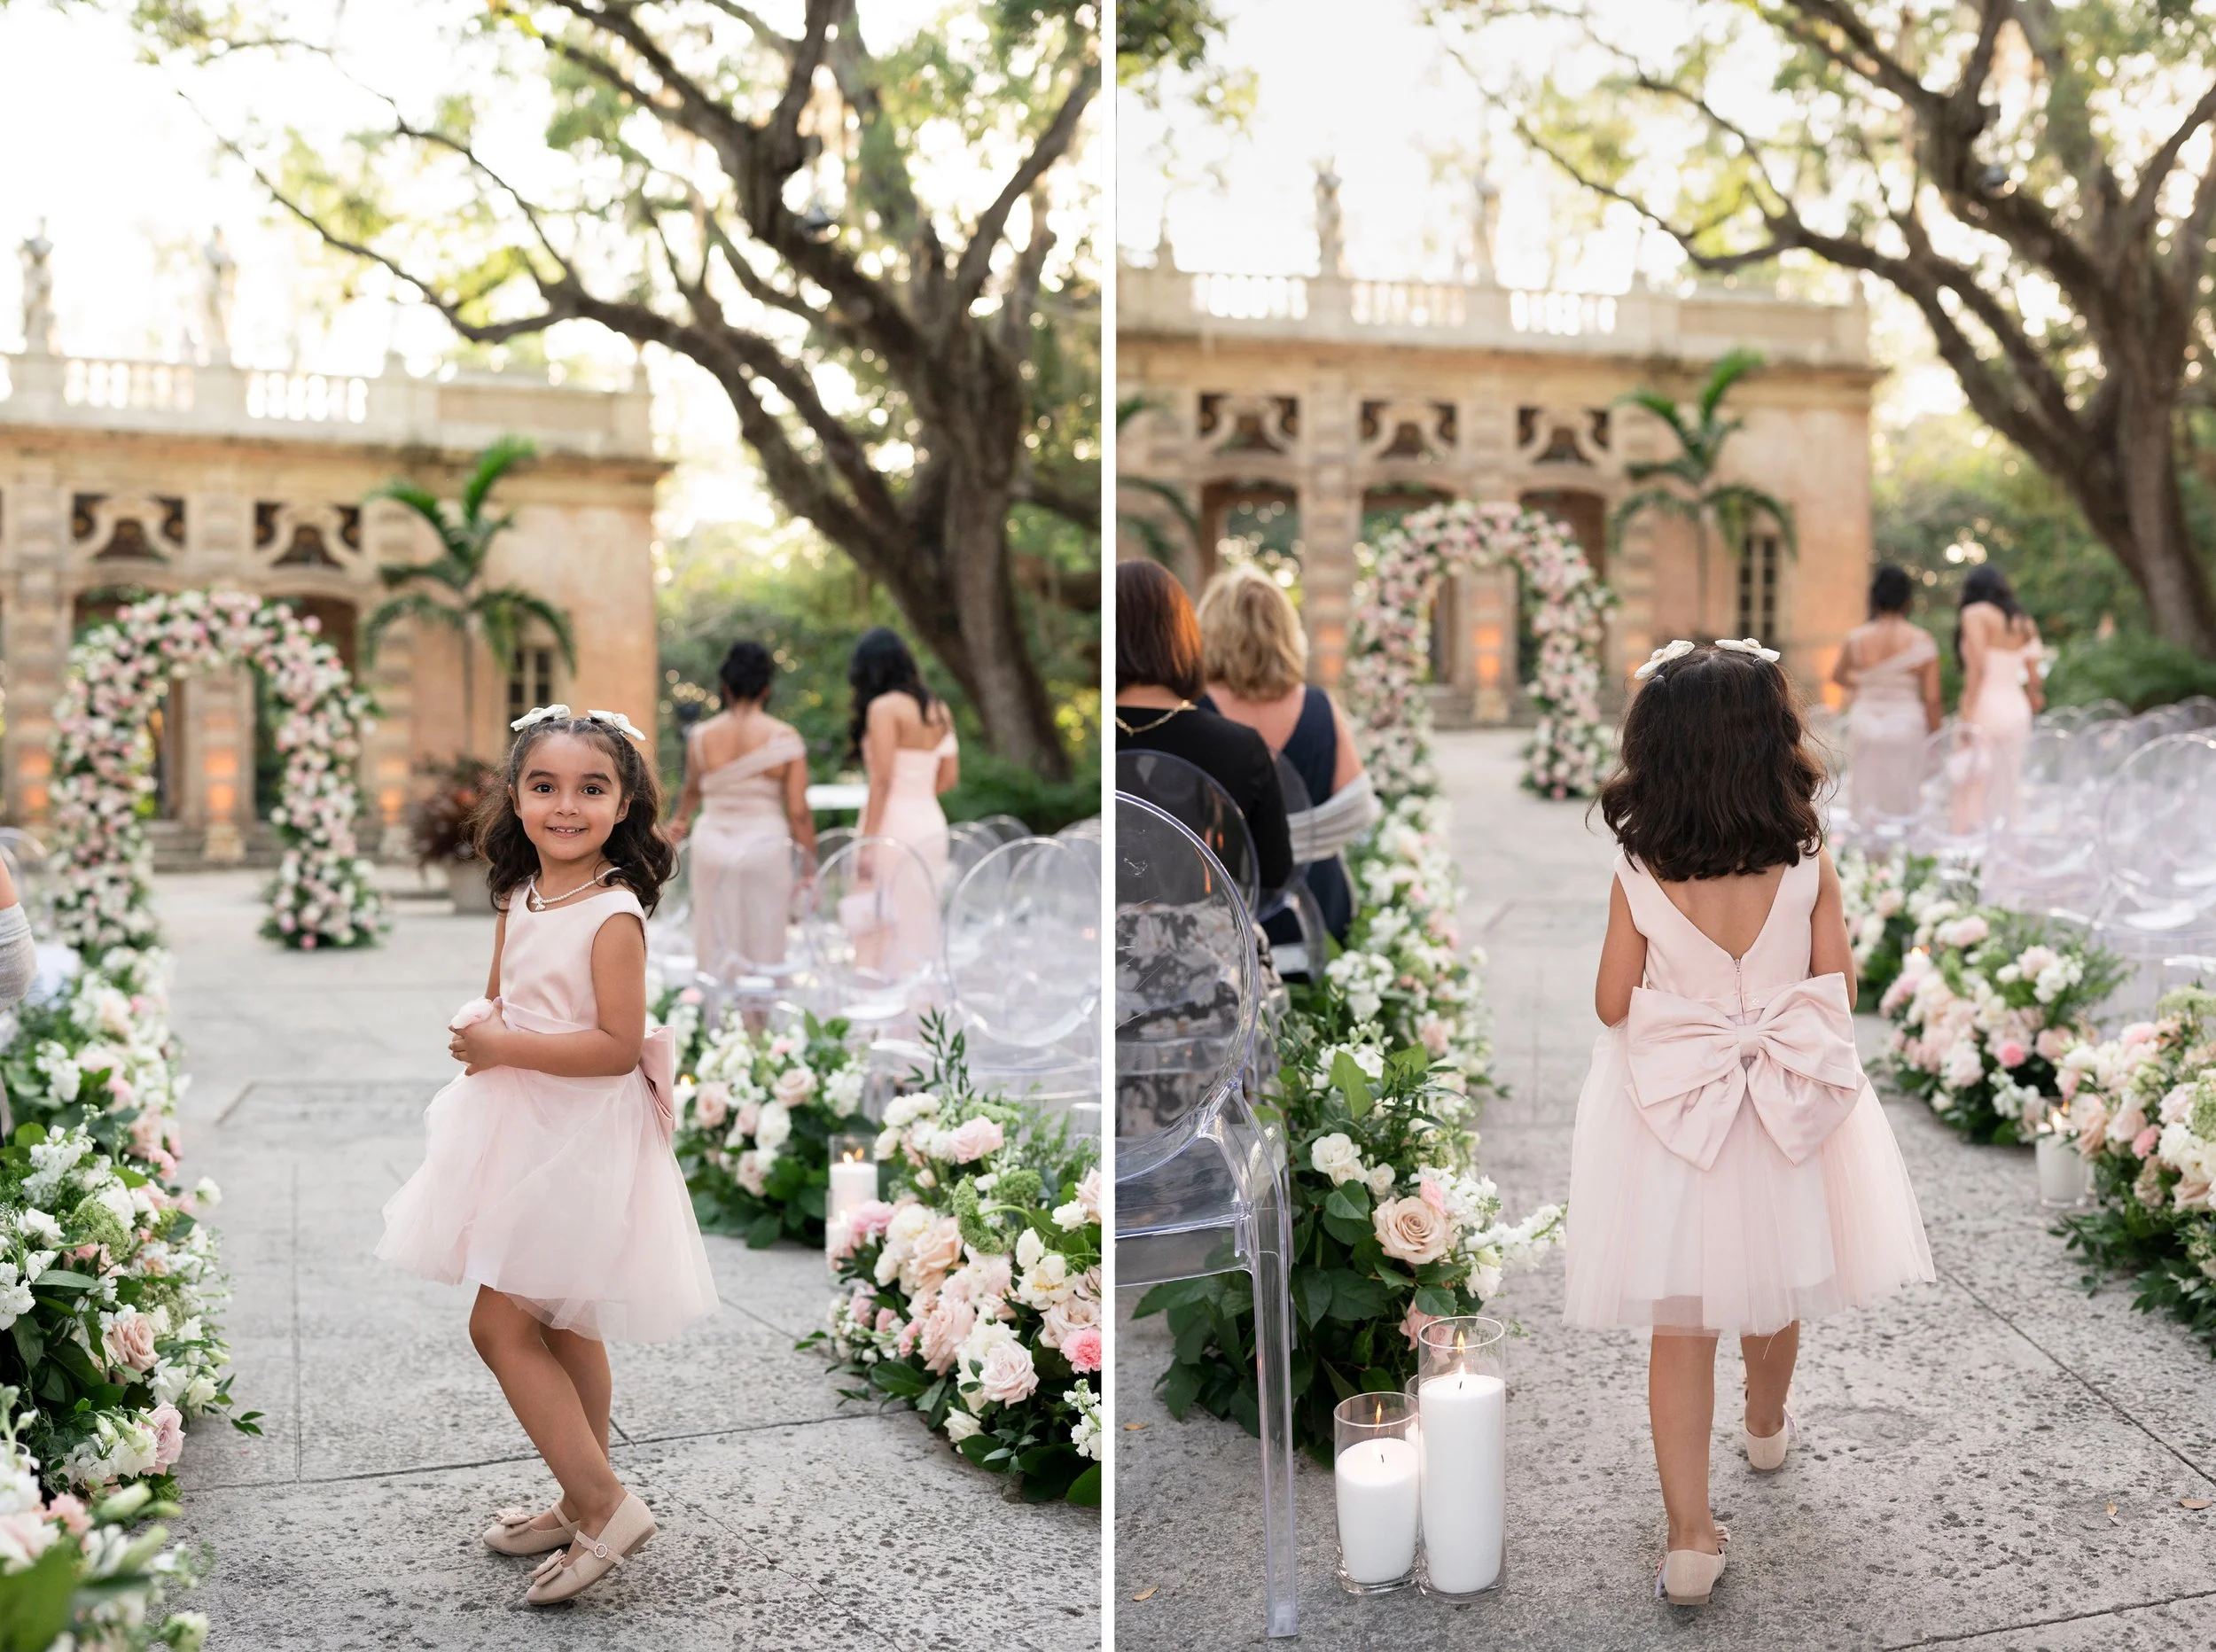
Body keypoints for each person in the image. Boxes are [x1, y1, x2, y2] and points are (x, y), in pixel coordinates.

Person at [1566, 638, 1932, 1608]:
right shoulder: (1807, 853)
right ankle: (1765, 1424)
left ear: (1659, 751)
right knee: (1778, 1275)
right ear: (1772, 741)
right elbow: (1840, 983)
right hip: (1781, 1103)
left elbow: (1611, 1002)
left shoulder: (1638, 865)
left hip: (1674, 1117)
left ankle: (1689, 1537)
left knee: (1678, 1325)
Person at [377, 705, 717, 1607]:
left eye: (591, 788)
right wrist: (478, 1029)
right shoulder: (522, 895)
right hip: (518, 1127)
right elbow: (504, 998)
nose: (566, 804)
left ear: (623, 803)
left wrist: (504, 1049)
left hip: (578, 1139)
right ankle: (578, 1494)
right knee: (567, 1320)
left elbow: (612, 1044)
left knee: (498, 1324)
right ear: (518, 797)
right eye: (545, 785)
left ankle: (608, 1505)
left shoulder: (611, 915)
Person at [1195, 562, 1369, 939]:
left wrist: (1254, 844)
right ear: (1286, 631)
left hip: (1231, 904)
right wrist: (1300, 840)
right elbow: (1358, 807)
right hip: (1317, 896)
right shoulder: (1321, 707)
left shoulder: (1194, 712)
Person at [1114, 560, 1292, 892]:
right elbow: (1273, 872)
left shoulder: (1084, 745)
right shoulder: (1240, 747)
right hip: (1202, 940)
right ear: (1181, 635)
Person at [667, 641, 815, 982]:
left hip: (712, 845)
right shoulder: (784, 736)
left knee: (713, 934)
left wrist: (678, 822)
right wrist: (809, 867)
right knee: (765, 936)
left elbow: (691, 791)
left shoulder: (701, 738)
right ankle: (760, 1027)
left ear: (726, 687)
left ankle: (718, 1025)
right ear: (766, 688)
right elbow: (799, 811)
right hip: (765, 846)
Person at [848, 628, 957, 974]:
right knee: (919, 920)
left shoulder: (883, 708)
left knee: (880, 922)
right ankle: (920, 1009)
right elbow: (948, 777)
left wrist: (867, 844)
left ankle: (884, 1005)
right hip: (929, 821)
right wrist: (917, 794)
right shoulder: (939, 709)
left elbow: (881, 780)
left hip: (891, 826)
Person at [1830, 564, 1941, 825]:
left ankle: (1869, 862)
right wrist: (1937, 740)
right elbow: (1933, 699)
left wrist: (1864, 683)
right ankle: (1901, 857)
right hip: (1906, 724)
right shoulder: (1922, 640)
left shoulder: (1856, 639)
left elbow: (1837, 676)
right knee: (1904, 791)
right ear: (1907, 599)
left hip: (1865, 722)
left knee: (1867, 791)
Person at [1955, 565, 2043, 827]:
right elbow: (2035, 676)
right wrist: (2034, 697)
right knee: (2010, 781)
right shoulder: (2024, 622)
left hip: (1986, 704)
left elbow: (1978, 668)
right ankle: (2011, 844)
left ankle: (1971, 848)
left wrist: (1967, 713)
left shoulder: (1975, 614)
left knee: (1974, 781)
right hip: (2017, 707)